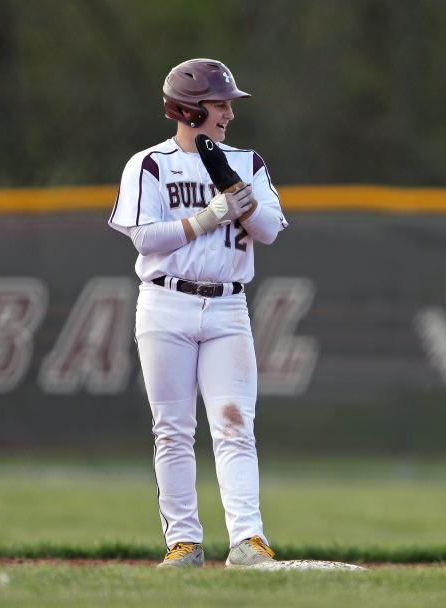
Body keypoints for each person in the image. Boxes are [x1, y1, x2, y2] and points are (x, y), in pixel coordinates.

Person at [108, 58, 287, 568]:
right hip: (166, 302)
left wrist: (241, 200)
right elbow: (145, 237)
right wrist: (207, 217)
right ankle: (183, 542)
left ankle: (248, 541)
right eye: (219, 103)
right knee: (172, 429)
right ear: (188, 109)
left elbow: (270, 231)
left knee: (235, 424)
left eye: (228, 103)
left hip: (228, 304)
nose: (229, 112)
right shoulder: (149, 164)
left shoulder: (246, 163)